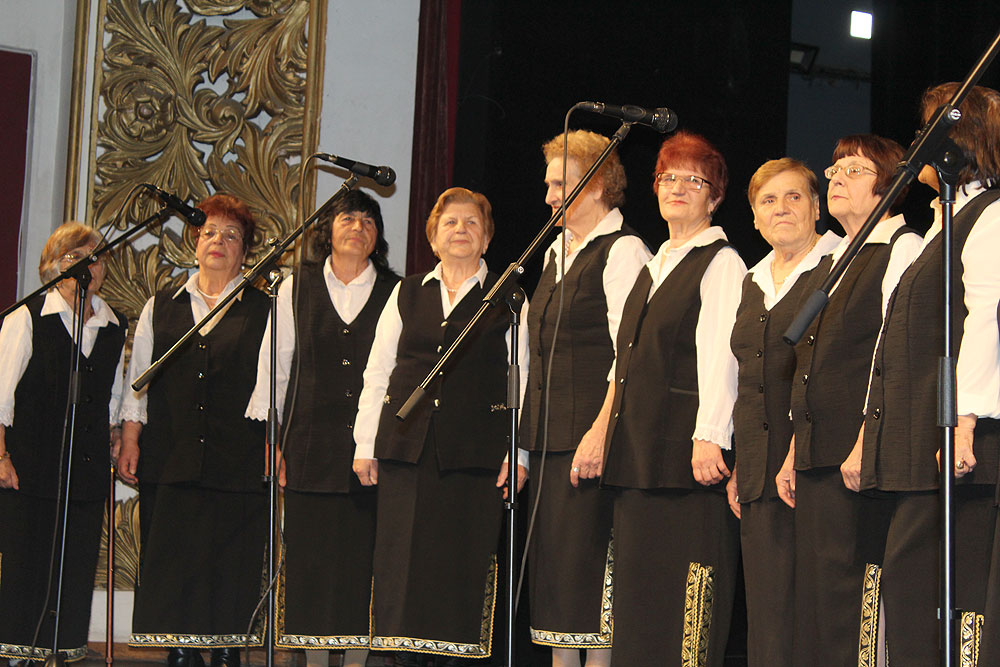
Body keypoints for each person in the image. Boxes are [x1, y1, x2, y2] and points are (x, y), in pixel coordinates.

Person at [580, 130, 746, 666]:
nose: (677, 187)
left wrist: (710, 435)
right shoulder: (655, 264)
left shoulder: (720, 261)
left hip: (686, 458)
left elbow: (722, 355)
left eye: (693, 180)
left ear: (714, 197)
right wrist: (602, 432)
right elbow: (625, 362)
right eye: (668, 177)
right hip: (637, 457)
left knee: (685, 603)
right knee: (640, 601)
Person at [353, 187, 528, 666]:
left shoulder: (508, 298)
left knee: (456, 568)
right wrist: (365, 443)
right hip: (404, 450)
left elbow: (522, 379)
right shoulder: (407, 292)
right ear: (433, 238)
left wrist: (518, 452)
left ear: (487, 238)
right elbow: (378, 370)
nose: (460, 230)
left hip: (474, 457)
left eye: (472, 223)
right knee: (400, 566)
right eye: (450, 223)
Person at [858, 84, 1000, 666]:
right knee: (911, 590)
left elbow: (987, 318)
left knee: (946, 593)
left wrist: (964, 419)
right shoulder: (944, 222)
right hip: (920, 437)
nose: (917, 141)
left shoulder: (989, 215)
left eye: (927, 129)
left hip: (956, 438)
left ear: (959, 139)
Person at [774, 135, 921, 665]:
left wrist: (865, 441)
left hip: (861, 456)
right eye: (835, 169)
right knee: (819, 604)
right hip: (819, 456)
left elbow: (893, 352)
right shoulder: (834, 258)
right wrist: (795, 449)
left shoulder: (902, 247)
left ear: (890, 183)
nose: (836, 177)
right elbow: (811, 362)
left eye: (855, 169)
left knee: (856, 601)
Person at [245, 190, 399, 667]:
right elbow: (275, 368)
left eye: (369, 220)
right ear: (327, 230)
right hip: (307, 447)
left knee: (361, 563)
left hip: (371, 454)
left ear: (378, 236)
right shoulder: (295, 286)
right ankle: (306, 659)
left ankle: (356, 659)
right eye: (348, 217)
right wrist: (273, 442)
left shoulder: (397, 291)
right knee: (309, 562)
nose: (358, 227)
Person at [118, 194, 269, 667]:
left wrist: (273, 444)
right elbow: (138, 379)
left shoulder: (265, 309)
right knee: (173, 554)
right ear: (195, 242)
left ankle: (226, 648)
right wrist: (130, 437)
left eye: (231, 235)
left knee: (231, 556)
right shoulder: (161, 305)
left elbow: (275, 386)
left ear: (245, 250)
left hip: (239, 455)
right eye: (210, 233)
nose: (219, 241)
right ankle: (180, 648)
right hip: (171, 451)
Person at [524, 129, 650, 667]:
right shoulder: (555, 252)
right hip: (548, 441)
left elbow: (630, 355)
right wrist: (523, 447)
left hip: (591, 442)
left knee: (589, 582)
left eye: (561, 185)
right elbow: (534, 356)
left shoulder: (623, 251)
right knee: (556, 587)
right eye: (548, 185)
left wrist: (600, 432)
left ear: (597, 185)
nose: (550, 196)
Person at [727, 158, 841, 667]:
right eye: (768, 201)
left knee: (816, 616)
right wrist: (741, 462)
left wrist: (795, 451)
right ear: (754, 218)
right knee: (769, 620)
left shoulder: (839, 267)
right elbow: (745, 380)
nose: (781, 209)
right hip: (759, 475)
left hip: (817, 468)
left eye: (794, 196)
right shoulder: (751, 281)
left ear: (817, 207)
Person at [0, 223, 127, 663]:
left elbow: (112, 394)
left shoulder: (114, 324)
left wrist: (115, 433)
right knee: (27, 561)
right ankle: (17, 652)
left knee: (74, 563)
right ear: (52, 267)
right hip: (29, 465)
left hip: (85, 467)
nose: (88, 265)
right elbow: (1, 394)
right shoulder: (27, 317)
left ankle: (63, 649)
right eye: (74, 257)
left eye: (96, 257)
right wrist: (0, 455)